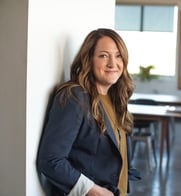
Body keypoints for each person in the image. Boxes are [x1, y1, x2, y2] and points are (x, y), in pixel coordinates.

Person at [37, 28, 141, 196]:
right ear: (89, 59)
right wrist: (93, 191)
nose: (113, 64)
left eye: (118, 55)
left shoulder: (116, 98)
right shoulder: (75, 97)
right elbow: (51, 160)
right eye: (103, 56)